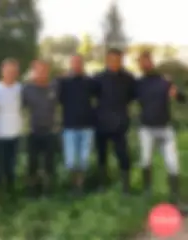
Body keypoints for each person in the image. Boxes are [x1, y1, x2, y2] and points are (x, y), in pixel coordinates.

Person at [136, 51, 186, 203]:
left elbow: (182, 98)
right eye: (142, 62)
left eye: (147, 61)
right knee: (145, 161)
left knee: (173, 163)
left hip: (165, 129)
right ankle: (147, 193)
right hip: (146, 130)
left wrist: (177, 94)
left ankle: (175, 196)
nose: (145, 64)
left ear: (152, 62)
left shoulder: (164, 81)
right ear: (139, 65)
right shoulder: (138, 84)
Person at [93, 48, 135, 194]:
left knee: (123, 155)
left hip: (120, 124)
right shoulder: (98, 77)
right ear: (107, 60)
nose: (114, 62)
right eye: (111, 60)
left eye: (117, 60)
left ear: (121, 60)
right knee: (101, 156)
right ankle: (102, 185)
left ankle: (126, 187)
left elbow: (132, 96)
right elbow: (93, 96)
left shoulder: (128, 78)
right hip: (101, 123)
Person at [58, 54, 94, 195]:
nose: (77, 65)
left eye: (79, 62)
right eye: (74, 62)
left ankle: (80, 187)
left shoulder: (89, 82)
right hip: (69, 126)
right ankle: (73, 185)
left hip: (87, 126)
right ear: (70, 64)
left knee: (84, 160)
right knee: (71, 160)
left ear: (83, 64)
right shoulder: (63, 82)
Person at [22, 60, 57, 197]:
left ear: (48, 71)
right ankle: (32, 191)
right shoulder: (26, 89)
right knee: (33, 163)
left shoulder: (54, 87)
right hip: (33, 131)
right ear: (33, 71)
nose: (41, 72)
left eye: (44, 70)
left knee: (49, 163)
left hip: (50, 131)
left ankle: (48, 191)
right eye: (38, 70)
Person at [0, 58, 22, 194]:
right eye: (8, 70)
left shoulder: (21, 89)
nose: (10, 73)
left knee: (11, 167)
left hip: (15, 134)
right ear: (2, 71)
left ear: (17, 73)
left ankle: (10, 194)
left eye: (13, 71)